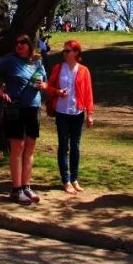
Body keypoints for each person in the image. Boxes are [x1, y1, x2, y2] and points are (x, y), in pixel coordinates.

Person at [0, 34, 53, 205]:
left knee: (30, 147)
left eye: (23, 42)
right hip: (16, 109)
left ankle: (26, 186)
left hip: (33, 107)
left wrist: (42, 86)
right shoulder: (9, 60)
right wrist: (1, 93)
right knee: (18, 147)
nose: (19, 45)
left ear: (30, 45)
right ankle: (16, 189)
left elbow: (45, 83)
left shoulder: (37, 62)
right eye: (16, 43)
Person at [44, 39, 95, 195]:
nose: (64, 54)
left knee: (75, 146)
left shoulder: (84, 70)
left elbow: (88, 93)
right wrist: (57, 92)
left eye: (68, 51)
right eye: (64, 51)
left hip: (77, 113)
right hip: (61, 112)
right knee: (63, 146)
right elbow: (48, 87)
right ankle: (65, 180)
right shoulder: (58, 68)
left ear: (76, 53)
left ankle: (74, 178)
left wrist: (89, 114)